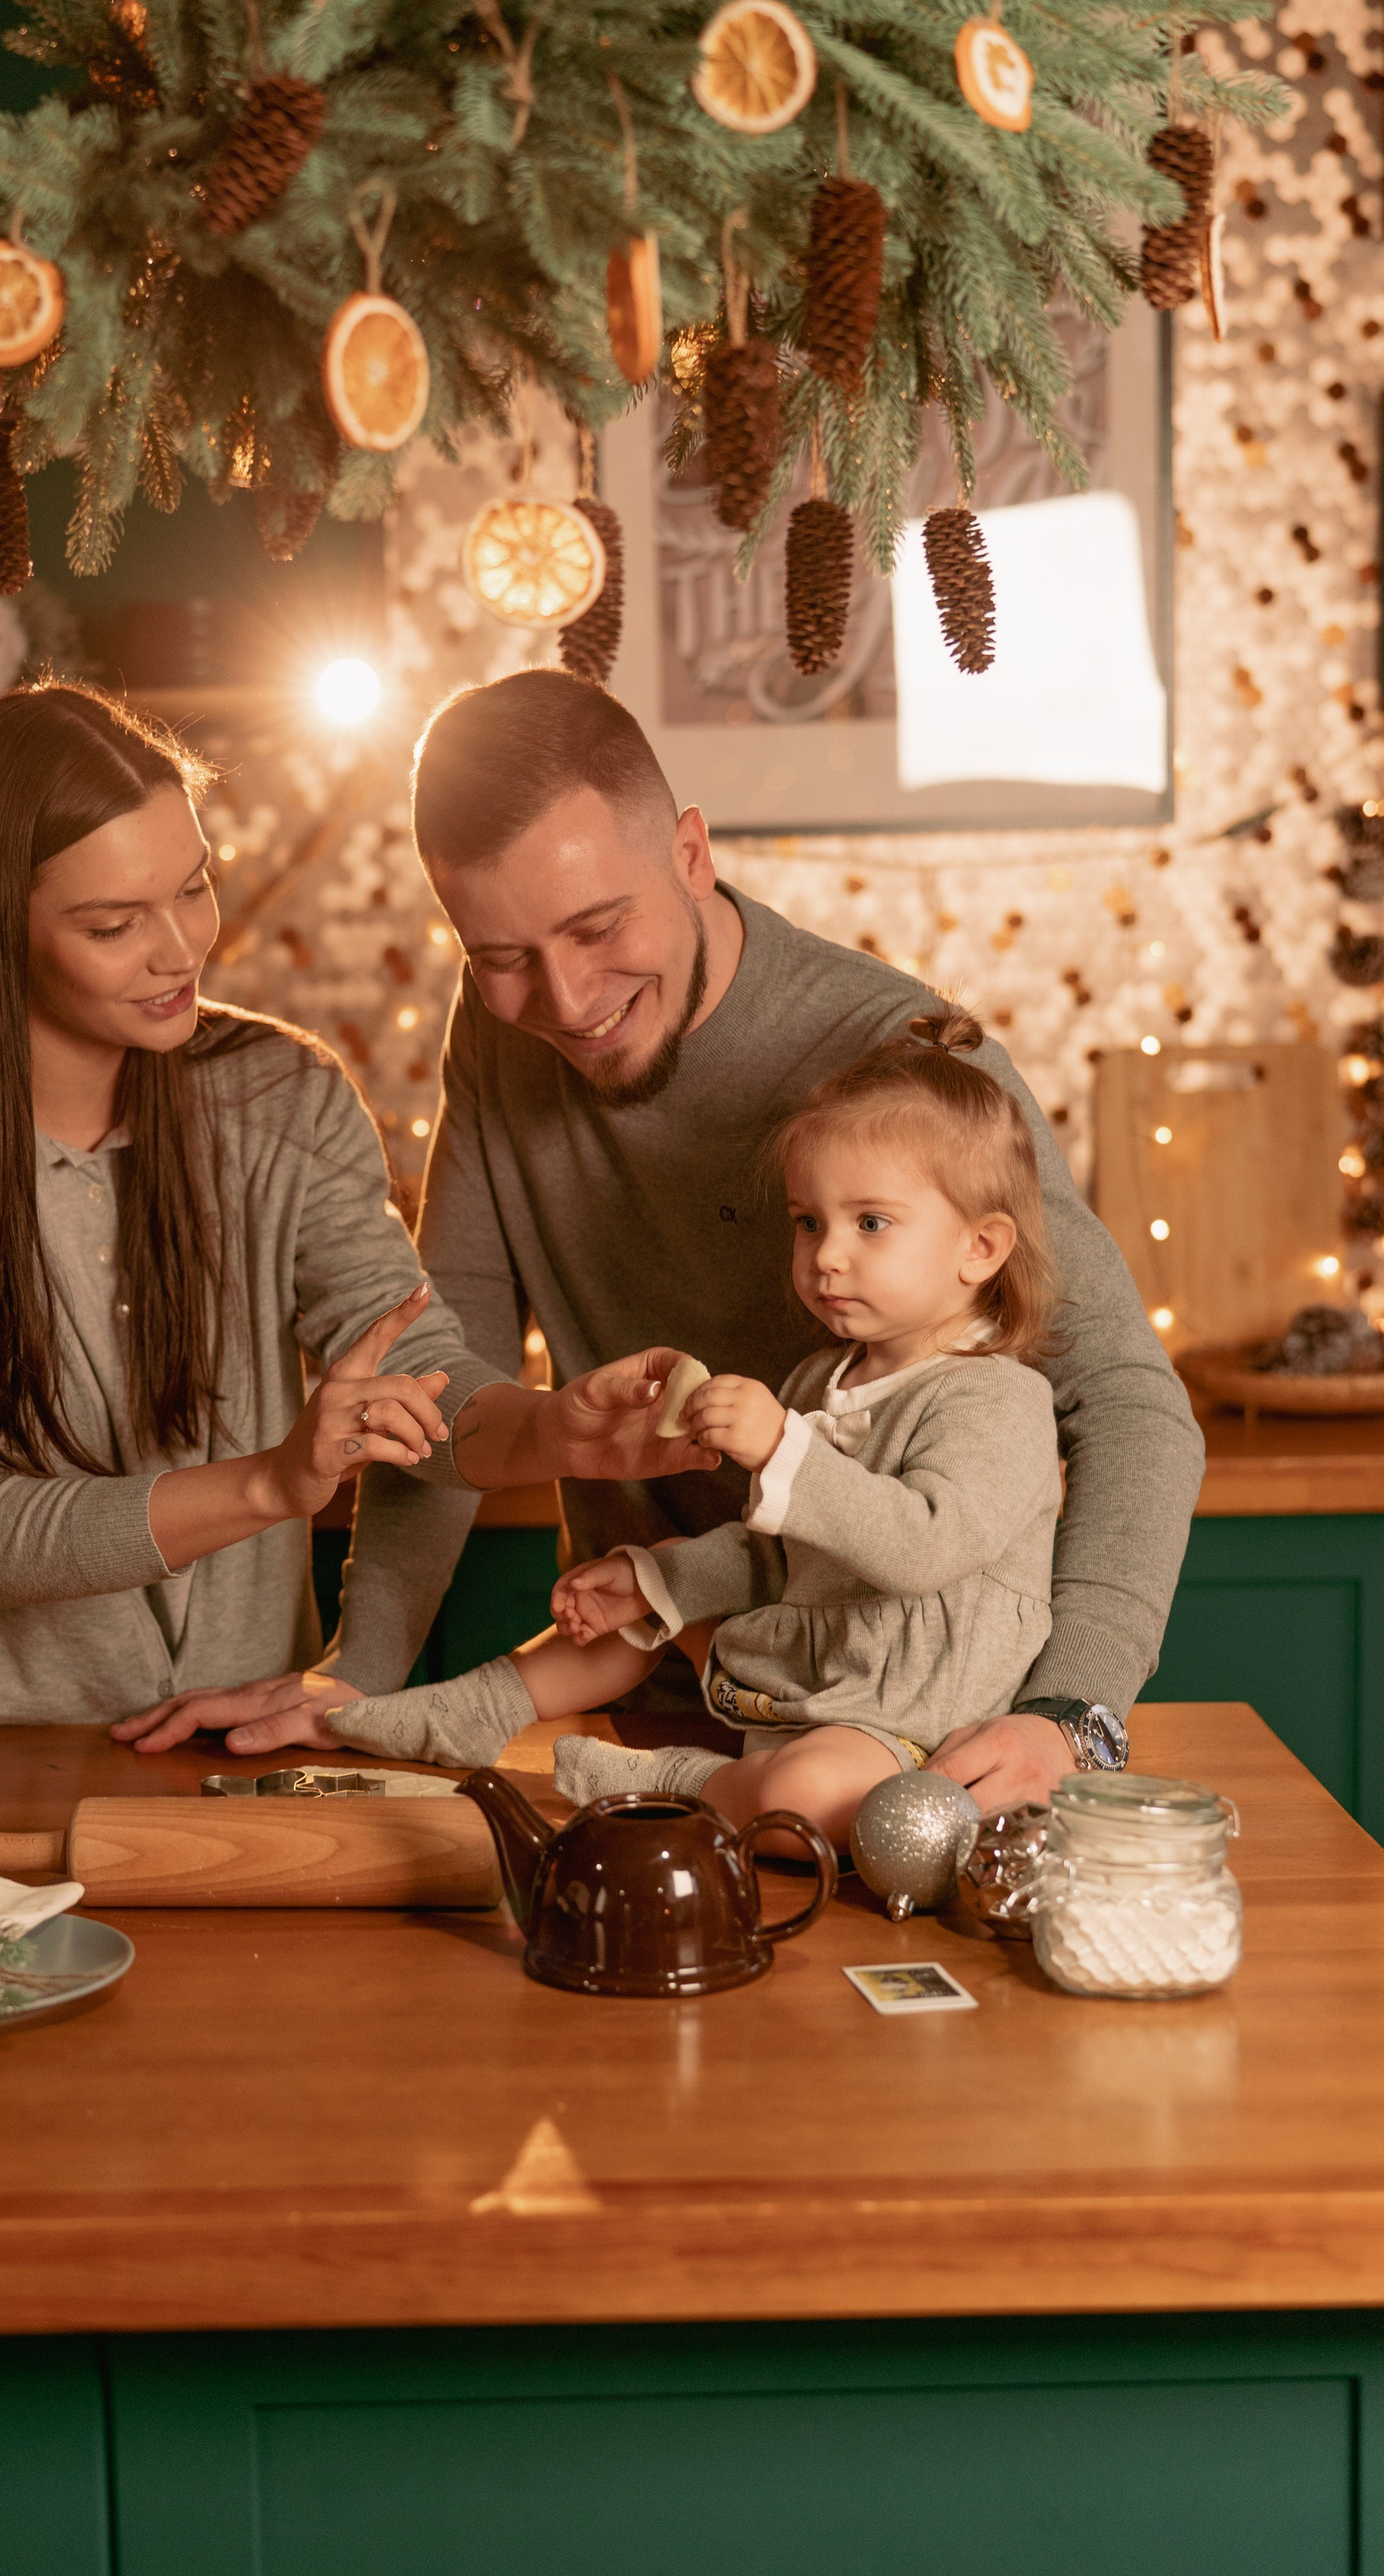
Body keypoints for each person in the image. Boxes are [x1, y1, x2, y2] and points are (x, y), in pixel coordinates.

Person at [115, 669, 1204, 1814]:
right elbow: (439, 1382)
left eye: (597, 927)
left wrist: (1071, 1712)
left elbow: (1128, 1401)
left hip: (913, 1741)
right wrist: (359, 1669)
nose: (567, 999)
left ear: (691, 853)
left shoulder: (904, 1068)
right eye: (499, 956)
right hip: (664, 1682)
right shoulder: (503, 1034)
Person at [0, 684, 696, 1729]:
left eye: (195, 886)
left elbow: (409, 1364)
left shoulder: (281, 1096)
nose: (181, 948)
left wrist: (554, 1430)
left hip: (233, 1745)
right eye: (114, 924)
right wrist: (270, 1484)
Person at [328, 1012, 1062, 1854]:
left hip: (917, 1723)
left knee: (804, 1801)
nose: (825, 1256)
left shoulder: (998, 1400)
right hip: (827, 1683)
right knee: (641, 1606)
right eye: (807, 1221)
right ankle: (471, 1709)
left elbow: (923, 1549)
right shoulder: (823, 1381)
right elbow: (783, 1555)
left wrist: (784, 1448)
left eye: (870, 1223)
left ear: (980, 1247)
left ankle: (672, 1781)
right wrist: (657, 1574)